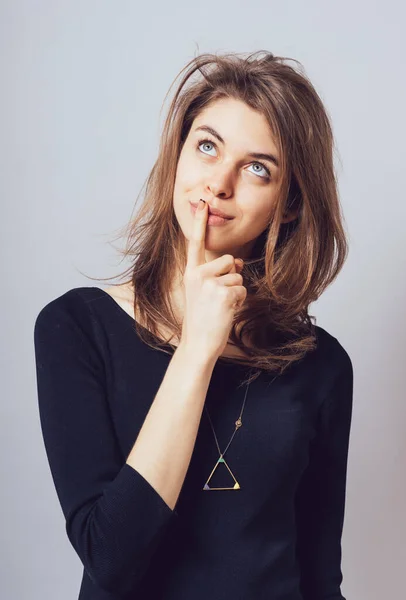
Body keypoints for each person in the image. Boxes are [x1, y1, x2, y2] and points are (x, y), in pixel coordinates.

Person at [33, 50, 354, 600]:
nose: (219, 183)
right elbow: (110, 556)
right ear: (177, 158)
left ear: (291, 202)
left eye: (258, 168)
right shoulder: (76, 326)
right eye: (207, 146)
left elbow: (321, 578)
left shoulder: (320, 363)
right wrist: (197, 349)